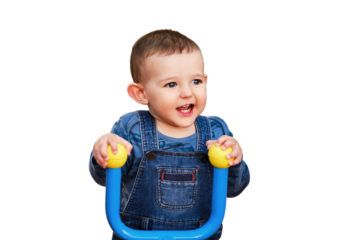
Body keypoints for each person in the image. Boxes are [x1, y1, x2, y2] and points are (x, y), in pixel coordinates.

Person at [88, 27, 251, 240]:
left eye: (196, 81)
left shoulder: (216, 131)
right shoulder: (131, 128)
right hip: (136, 236)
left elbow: (234, 189)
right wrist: (103, 152)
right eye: (171, 84)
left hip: (202, 236)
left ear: (206, 81)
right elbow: (103, 179)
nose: (186, 92)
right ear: (141, 94)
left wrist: (235, 161)